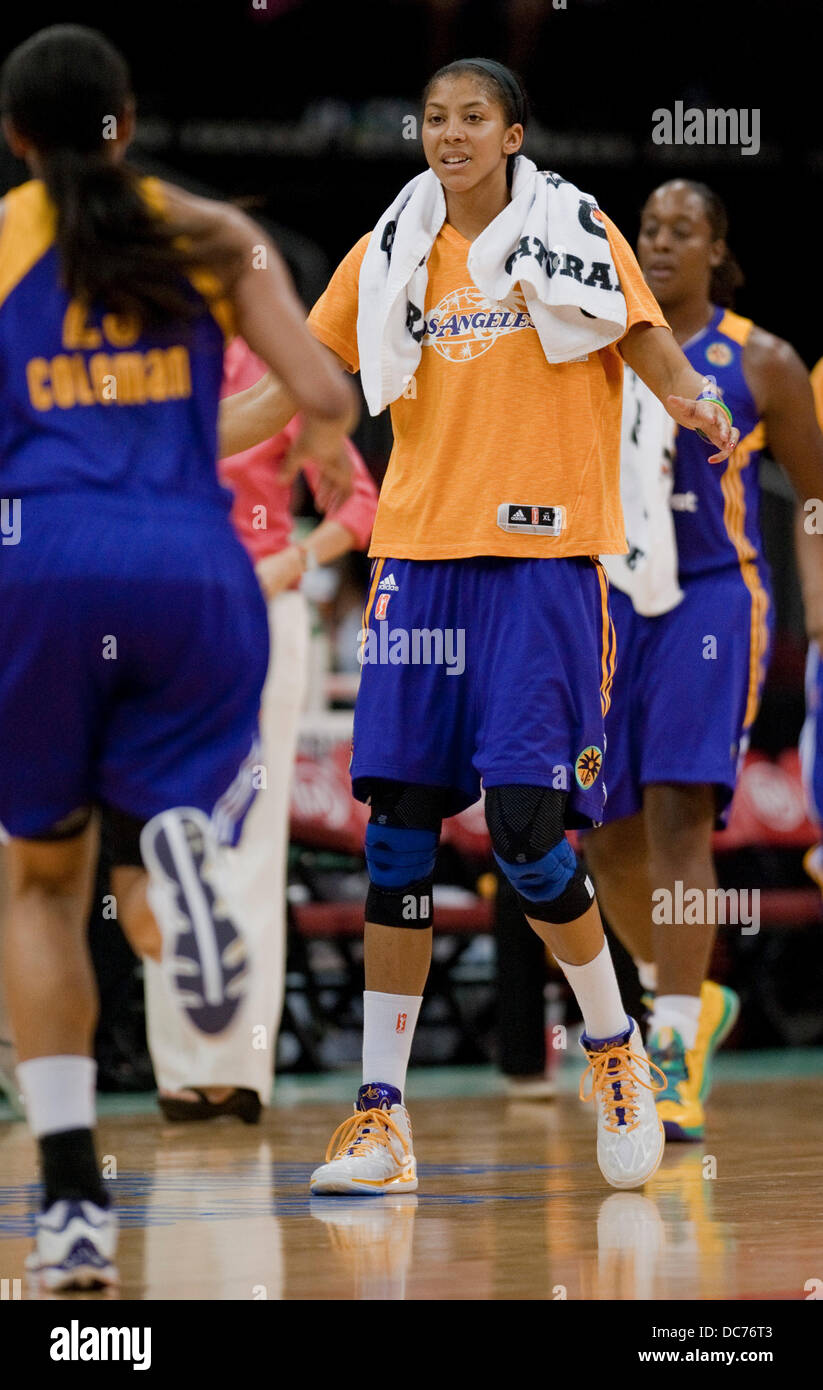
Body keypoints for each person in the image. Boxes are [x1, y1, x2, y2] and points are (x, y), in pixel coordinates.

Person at [224, 56, 739, 1195]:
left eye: (473, 118)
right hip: (416, 560)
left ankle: (614, 1044)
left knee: (521, 830)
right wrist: (169, 437)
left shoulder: (576, 230)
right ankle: (379, 1117)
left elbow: (648, 345)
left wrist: (689, 398)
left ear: (512, 134)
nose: (449, 134)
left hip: (544, 565)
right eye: (434, 118)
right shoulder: (390, 247)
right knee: (399, 830)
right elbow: (301, 384)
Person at [0, 25, 355, 1290]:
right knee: (159, 839)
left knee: (43, 885)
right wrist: (317, 461)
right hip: (196, 567)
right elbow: (326, 388)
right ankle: (183, 872)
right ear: (128, 116)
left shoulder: (0, 240)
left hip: (40, 556)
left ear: (16, 136)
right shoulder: (212, 232)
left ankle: (74, 1207)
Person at [584, 180, 823, 1141]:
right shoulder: (594, 339)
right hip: (606, 595)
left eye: (684, 230)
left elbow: (814, 497)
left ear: (717, 248)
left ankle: (672, 1039)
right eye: (648, 228)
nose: (662, 242)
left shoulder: (761, 359)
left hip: (713, 600)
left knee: (682, 814)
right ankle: (684, 991)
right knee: (603, 834)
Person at [145, 336, 377, 1121]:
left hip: (262, 609)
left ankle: (241, 1070)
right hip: (162, 608)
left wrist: (297, 561)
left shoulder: (276, 373)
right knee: (170, 832)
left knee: (251, 832)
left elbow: (360, 501)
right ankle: (180, 1069)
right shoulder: (141, 366)